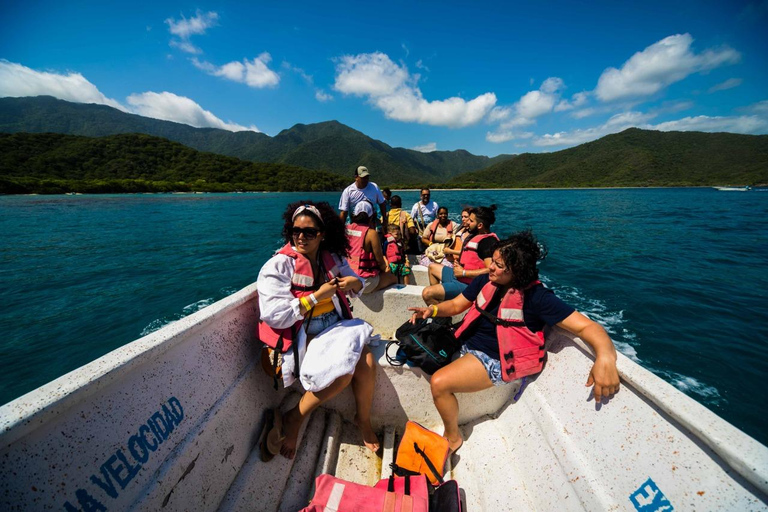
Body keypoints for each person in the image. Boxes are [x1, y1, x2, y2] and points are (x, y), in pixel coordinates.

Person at [409, 231, 621, 453]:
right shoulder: (485, 280)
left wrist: (606, 356)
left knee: (439, 382)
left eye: (499, 265)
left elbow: (587, 326)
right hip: (465, 342)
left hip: (494, 360)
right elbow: (455, 306)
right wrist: (432, 310)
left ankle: (453, 438)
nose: (490, 266)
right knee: (415, 348)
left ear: (517, 270)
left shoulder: (538, 298)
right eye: (493, 260)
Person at [257, 201, 380, 459]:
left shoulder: (331, 258)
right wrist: (315, 297)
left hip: (335, 325)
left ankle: (363, 419)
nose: (302, 236)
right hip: (306, 333)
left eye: (309, 232)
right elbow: (275, 315)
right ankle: (294, 418)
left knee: (367, 360)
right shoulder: (278, 266)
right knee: (342, 374)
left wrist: (355, 281)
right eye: (296, 230)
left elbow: (357, 283)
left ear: (322, 234)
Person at [422, 205, 499, 305]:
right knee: (432, 267)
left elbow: (491, 270)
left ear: (480, 225)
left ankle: (441, 317)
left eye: (471, 221)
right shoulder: (475, 236)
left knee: (427, 293)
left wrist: (463, 273)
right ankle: (442, 307)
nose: (467, 222)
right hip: (458, 276)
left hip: (468, 284)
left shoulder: (487, 242)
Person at [346, 202, 399, 293]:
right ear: (371, 216)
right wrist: (386, 268)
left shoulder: (346, 229)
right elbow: (380, 262)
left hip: (347, 278)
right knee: (393, 277)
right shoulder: (371, 233)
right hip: (363, 283)